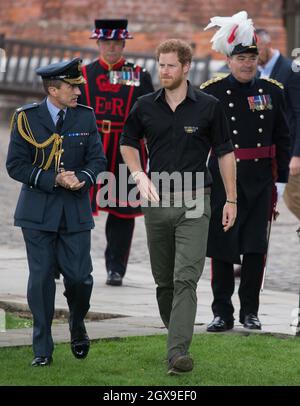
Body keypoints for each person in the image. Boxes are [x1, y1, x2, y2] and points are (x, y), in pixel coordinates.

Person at [120, 39, 237, 375]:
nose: (165, 71)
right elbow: (128, 142)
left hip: (195, 201)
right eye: (161, 65)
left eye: (171, 65)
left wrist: (231, 199)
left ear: (186, 68)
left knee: (186, 277)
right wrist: (139, 173)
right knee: (164, 281)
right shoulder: (145, 105)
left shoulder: (209, 106)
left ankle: (178, 353)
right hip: (156, 203)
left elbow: (225, 153)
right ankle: (177, 338)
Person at [6, 58, 107, 366]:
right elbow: (15, 165)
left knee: (81, 279)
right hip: (37, 212)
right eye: (72, 87)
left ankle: (77, 323)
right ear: (53, 89)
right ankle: (42, 349)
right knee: (40, 280)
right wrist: (53, 179)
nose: (78, 91)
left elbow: (98, 160)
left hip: (74, 212)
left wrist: (83, 178)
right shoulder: (26, 118)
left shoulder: (85, 118)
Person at [201, 11, 290, 332]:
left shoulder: (273, 91)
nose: (247, 63)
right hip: (225, 180)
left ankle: (249, 311)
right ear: (229, 59)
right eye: (241, 57)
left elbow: (283, 137)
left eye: (252, 57)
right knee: (223, 248)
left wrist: (279, 184)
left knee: (255, 249)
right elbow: (199, 139)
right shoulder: (211, 92)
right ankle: (221, 312)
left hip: (261, 179)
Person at [79, 19, 154, 287]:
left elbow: (150, 113)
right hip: (91, 148)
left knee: (122, 214)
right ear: (99, 43)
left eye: (117, 43)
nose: (112, 48)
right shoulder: (83, 74)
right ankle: (69, 262)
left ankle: (116, 268)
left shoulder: (137, 75)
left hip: (125, 149)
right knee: (78, 209)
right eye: (107, 43)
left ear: (123, 44)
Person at [256, 28, 300, 216]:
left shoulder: (291, 70)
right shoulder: (257, 73)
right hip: (273, 152)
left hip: (292, 151)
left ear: (267, 45)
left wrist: (297, 155)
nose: (252, 56)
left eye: (256, 50)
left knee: (293, 198)